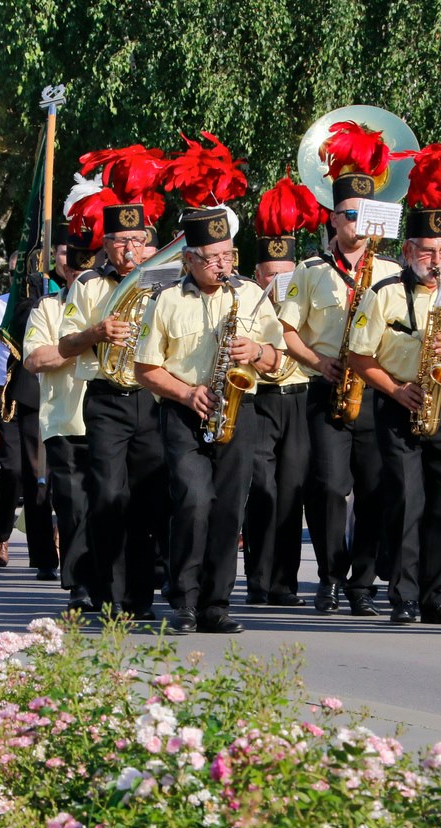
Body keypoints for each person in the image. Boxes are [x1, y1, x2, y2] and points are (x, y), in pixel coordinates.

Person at [133, 207, 285, 634]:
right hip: (184, 412)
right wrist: (186, 392)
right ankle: (183, 599)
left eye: (229, 255)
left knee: (229, 510)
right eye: (212, 257)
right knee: (194, 502)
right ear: (188, 260)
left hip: (240, 409)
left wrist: (256, 352)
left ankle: (217, 603)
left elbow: (277, 360)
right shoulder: (165, 300)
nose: (223, 265)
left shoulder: (251, 294)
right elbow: (145, 368)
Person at [347, 178, 441, 625]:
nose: (437, 261)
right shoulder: (384, 292)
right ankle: (402, 596)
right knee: (405, 501)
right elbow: (358, 354)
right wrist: (395, 389)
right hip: (402, 399)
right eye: (427, 251)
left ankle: (438, 597)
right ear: (407, 252)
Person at [278, 172, 403, 616]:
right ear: (334, 219)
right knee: (330, 487)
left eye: (367, 215)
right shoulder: (309, 271)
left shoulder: (391, 272)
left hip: (375, 390)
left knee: (374, 489)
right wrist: (317, 361)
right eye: (352, 214)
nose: (359, 223)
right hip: (328, 386)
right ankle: (330, 578)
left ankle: (363, 583)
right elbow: (286, 330)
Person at [57, 202, 167, 619]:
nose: (131, 250)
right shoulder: (88, 285)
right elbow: (65, 345)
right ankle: (106, 593)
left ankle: (140, 597)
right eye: (121, 242)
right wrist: (96, 332)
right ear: (106, 245)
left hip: (149, 397)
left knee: (145, 499)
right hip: (105, 398)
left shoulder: (161, 283)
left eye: (138, 241)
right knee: (106, 495)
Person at [24, 225, 98, 611]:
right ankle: (81, 584)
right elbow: (36, 359)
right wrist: (86, 341)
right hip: (67, 421)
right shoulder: (48, 308)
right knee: (74, 507)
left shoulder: (110, 302)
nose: (75, 268)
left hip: (112, 420)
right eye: (68, 259)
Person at [242, 231, 309, 607]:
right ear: (257, 274)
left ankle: (285, 583)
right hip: (261, 401)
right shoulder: (250, 303)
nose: (279, 282)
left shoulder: (303, 302)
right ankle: (258, 580)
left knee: (291, 493)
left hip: (297, 398)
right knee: (262, 491)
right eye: (271, 274)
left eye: (286, 273)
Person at [0, 258, 59, 581]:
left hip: (43, 393)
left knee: (38, 476)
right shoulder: (8, 303)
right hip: (10, 394)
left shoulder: (60, 298)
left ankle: (43, 555)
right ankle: (0, 536)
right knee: (14, 469)